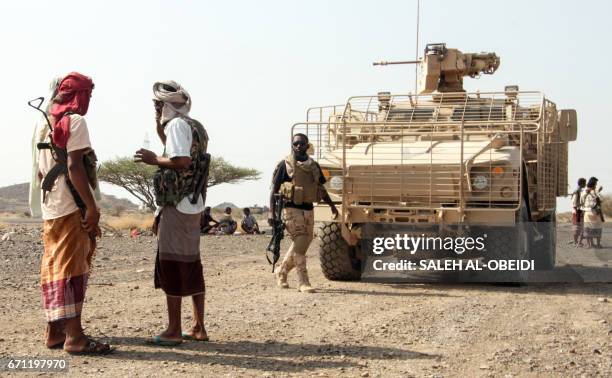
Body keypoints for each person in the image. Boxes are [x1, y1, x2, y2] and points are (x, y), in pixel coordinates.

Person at [37, 73, 111, 354]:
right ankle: (75, 337)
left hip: (51, 208)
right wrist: (90, 207)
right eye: (88, 95)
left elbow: (40, 171)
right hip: (71, 207)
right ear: (80, 95)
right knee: (72, 270)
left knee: (55, 267)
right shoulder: (76, 121)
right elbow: (75, 167)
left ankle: (54, 332)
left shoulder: (45, 124)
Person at [134, 80, 209, 345]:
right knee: (191, 263)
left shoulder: (177, 125)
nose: (156, 108)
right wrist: (159, 123)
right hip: (193, 203)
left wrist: (153, 160)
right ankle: (198, 326)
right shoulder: (193, 125)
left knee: (173, 263)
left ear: (166, 105)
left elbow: (181, 161)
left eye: (158, 104)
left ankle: (174, 330)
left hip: (176, 204)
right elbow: (173, 146)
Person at [269, 133, 338, 293]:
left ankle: (282, 271)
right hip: (291, 208)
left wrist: (332, 206)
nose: (298, 146)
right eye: (295, 144)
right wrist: (272, 213)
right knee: (300, 243)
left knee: (304, 242)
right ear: (292, 146)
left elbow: (321, 188)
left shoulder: (313, 165)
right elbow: (273, 190)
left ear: (307, 145)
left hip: (308, 208)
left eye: (301, 144)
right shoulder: (285, 165)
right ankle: (303, 281)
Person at [581, 177, 604, 249]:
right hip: (596, 213)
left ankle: (590, 244)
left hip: (587, 212)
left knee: (588, 228)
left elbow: (581, 201)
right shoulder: (596, 191)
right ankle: (598, 244)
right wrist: (598, 191)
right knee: (598, 227)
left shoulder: (584, 192)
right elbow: (602, 199)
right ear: (594, 184)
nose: (596, 185)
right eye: (596, 184)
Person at [570, 178, 586, 247]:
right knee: (577, 227)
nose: (585, 184)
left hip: (578, 211)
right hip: (577, 211)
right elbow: (575, 203)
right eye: (585, 183)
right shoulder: (577, 191)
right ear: (582, 183)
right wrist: (577, 211)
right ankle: (576, 242)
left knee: (578, 227)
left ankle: (577, 242)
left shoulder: (579, 191)